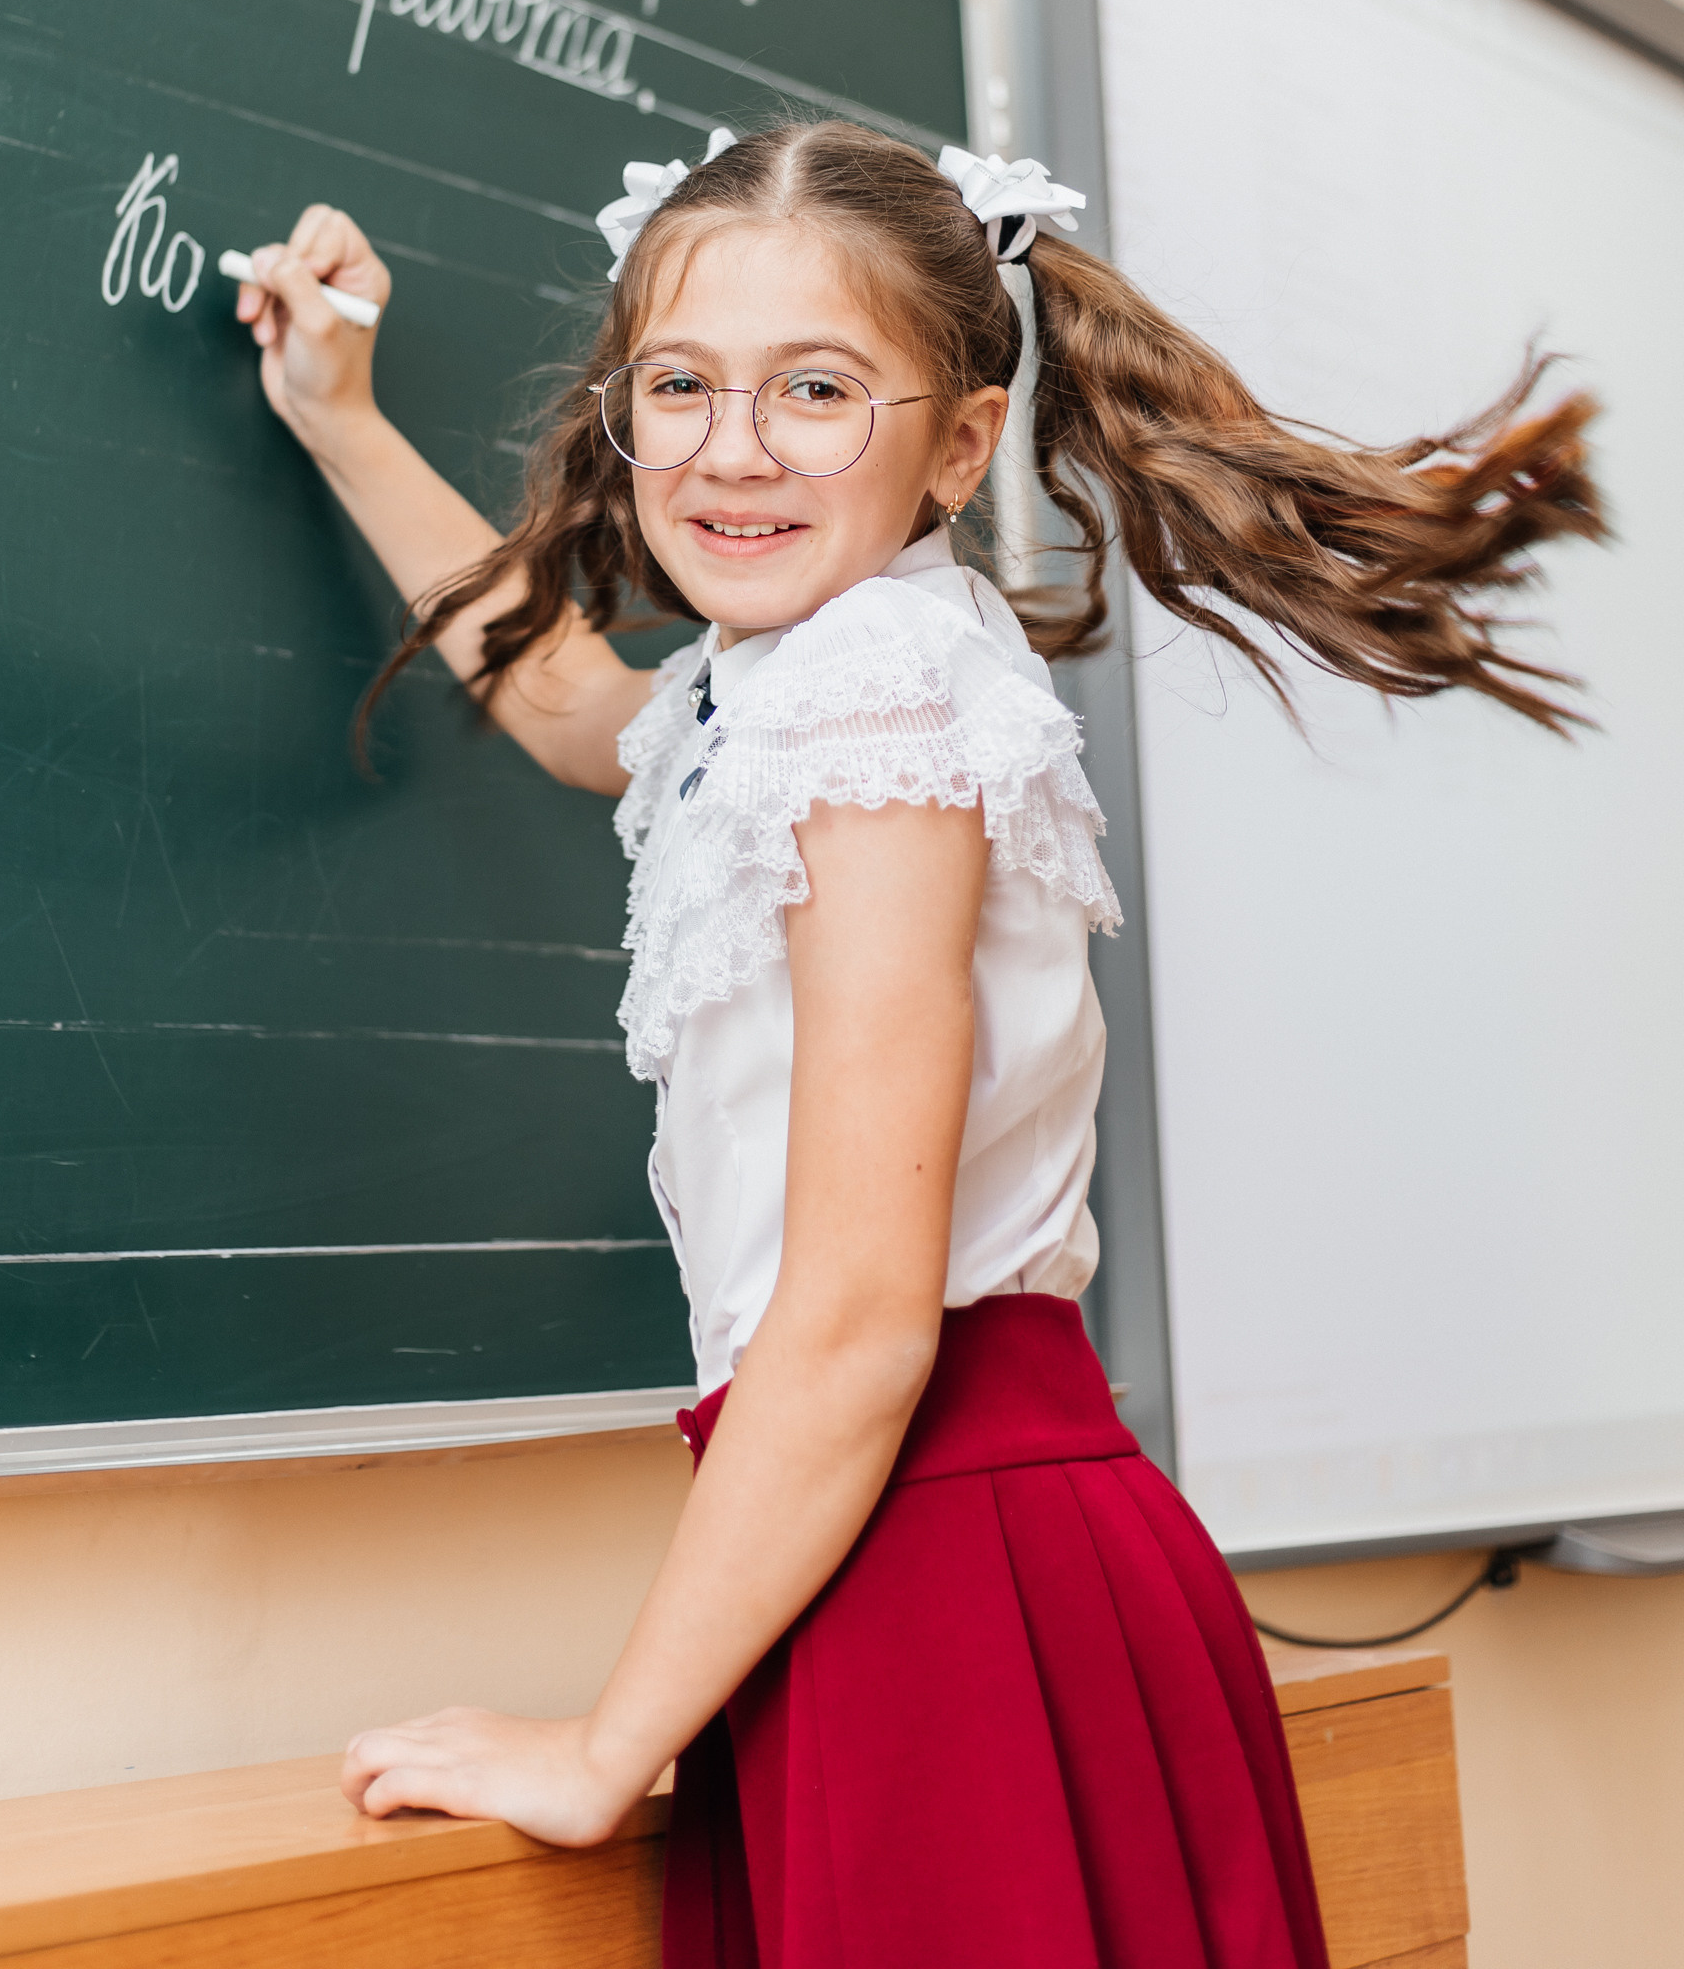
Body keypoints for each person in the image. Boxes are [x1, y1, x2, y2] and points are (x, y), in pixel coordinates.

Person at [232, 119, 1599, 1969]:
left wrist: (605, 1747)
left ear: (961, 441)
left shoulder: (871, 696)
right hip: (915, 1552)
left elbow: (868, 1318)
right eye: (682, 385)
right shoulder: (803, 677)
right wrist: (343, 421)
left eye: (815, 388)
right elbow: (579, 713)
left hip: (937, 1565)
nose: (732, 446)